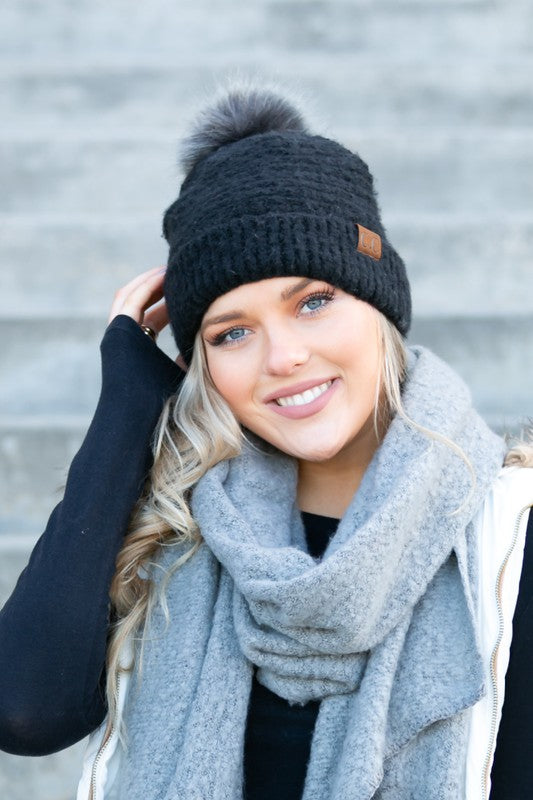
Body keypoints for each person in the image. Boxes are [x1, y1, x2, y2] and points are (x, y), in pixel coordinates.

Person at [0, 81, 532, 800]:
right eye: (232, 333)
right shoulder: (175, 530)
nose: (282, 357)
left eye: (314, 302)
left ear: (377, 306)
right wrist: (125, 408)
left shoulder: (506, 534)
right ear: (200, 365)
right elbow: (27, 711)